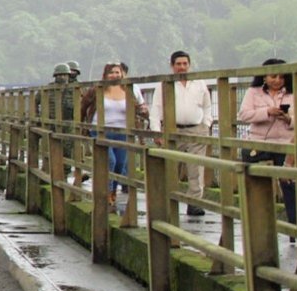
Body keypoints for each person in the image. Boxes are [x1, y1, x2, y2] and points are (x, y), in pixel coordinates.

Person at [237, 57, 297, 241]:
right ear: (264, 77)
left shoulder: (294, 93)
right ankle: (257, 230)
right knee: (257, 185)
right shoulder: (253, 92)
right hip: (260, 143)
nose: (277, 80)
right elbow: (244, 115)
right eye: (273, 76)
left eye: (281, 77)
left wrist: (288, 118)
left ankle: (295, 231)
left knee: (290, 187)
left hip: (286, 143)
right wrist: (267, 112)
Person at [149, 50, 213, 217]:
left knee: (196, 167)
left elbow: (207, 105)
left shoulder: (199, 82)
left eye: (185, 64)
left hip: (196, 128)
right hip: (172, 129)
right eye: (178, 64)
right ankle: (168, 201)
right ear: (172, 66)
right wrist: (156, 131)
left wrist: (206, 123)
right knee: (171, 166)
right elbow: (156, 108)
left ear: (189, 65)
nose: (182, 67)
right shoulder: (164, 84)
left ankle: (194, 203)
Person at [80, 62, 145, 212]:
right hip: (100, 131)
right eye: (111, 73)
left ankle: (113, 191)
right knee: (110, 160)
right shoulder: (97, 89)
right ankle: (107, 194)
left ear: (122, 74)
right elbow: (83, 107)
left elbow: (137, 108)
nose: (114, 75)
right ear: (105, 75)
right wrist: (82, 125)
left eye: (117, 72)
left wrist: (142, 112)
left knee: (120, 164)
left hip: (123, 132)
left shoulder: (128, 90)